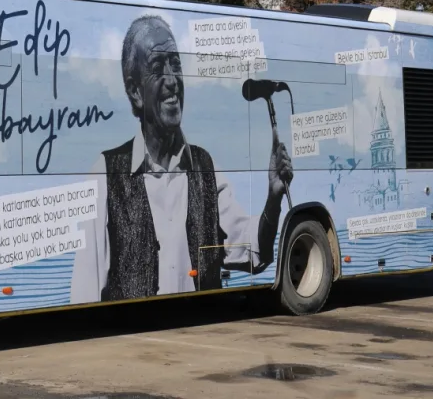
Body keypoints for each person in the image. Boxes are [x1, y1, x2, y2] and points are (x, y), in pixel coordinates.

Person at [98, 15, 293, 301]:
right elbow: (86, 288)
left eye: (176, 64)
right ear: (135, 91)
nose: (171, 80)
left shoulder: (204, 167)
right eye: (157, 68)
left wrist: (273, 199)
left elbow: (249, 249)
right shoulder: (105, 172)